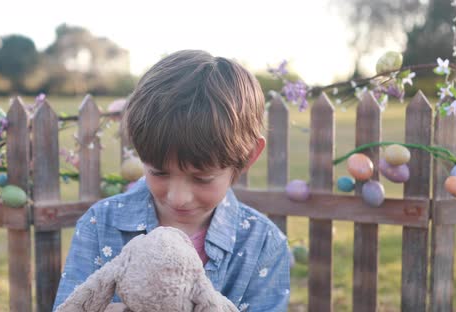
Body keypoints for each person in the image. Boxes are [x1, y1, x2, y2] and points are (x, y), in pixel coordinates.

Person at [52, 50, 290, 311]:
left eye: (202, 178)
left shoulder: (263, 244)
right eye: (159, 172)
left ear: (247, 157)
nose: (178, 197)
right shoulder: (100, 224)